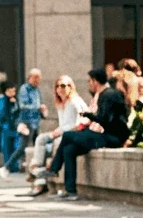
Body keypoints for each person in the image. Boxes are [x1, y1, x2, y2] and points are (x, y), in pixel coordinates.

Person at [46, 68, 130, 201]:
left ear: (95, 81)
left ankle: (54, 169)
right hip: (105, 135)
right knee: (69, 150)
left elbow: (106, 120)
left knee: (68, 135)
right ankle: (71, 191)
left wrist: (90, 116)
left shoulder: (108, 95)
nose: (89, 84)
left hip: (112, 138)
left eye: (90, 81)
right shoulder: (106, 94)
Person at [28, 76, 88, 194]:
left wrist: (64, 130)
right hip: (61, 132)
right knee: (41, 139)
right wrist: (57, 131)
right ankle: (36, 169)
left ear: (70, 87)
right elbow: (63, 124)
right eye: (57, 86)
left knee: (56, 143)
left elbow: (85, 118)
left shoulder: (75, 100)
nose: (60, 89)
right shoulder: (60, 103)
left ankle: (43, 179)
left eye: (63, 86)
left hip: (72, 134)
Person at [3, 69, 47, 180]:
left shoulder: (37, 90)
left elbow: (38, 104)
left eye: (39, 78)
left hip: (35, 122)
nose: (38, 80)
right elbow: (23, 105)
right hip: (26, 122)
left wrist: (41, 110)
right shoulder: (24, 89)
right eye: (35, 77)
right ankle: (6, 167)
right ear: (30, 78)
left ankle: (36, 172)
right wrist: (38, 108)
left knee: (39, 147)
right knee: (22, 146)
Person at [0, 86, 18, 175]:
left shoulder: (16, 100)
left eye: (13, 91)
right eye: (10, 91)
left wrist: (14, 104)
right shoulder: (1, 100)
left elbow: (18, 112)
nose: (12, 93)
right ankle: (8, 165)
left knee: (16, 147)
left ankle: (15, 166)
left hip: (15, 128)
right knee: (6, 148)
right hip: (5, 127)